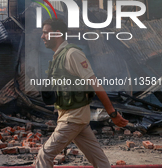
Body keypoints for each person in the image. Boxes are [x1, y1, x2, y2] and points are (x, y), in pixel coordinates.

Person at [35, 18, 128, 168]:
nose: (42, 36)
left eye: (46, 32)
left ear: (57, 34)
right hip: (74, 118)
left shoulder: (72, 54)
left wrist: (112, 113)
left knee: (44, 155)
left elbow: (95, 84)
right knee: (100, 162)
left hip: (73, 119)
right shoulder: (58, 56)